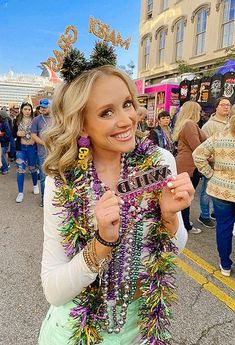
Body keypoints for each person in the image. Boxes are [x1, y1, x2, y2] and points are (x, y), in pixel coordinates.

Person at [38, 63, 193, 345]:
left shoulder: (159, 162)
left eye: (127, 104)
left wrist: (170, 217)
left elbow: (174, 249)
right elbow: (53, 290)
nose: (126, 120)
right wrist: (101, 243)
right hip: (76, 329)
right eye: (107, 112)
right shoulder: (62, 181)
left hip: (140, 327)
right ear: (82, 122)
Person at [193, 115, 235, 276]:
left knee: (223, 227)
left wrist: (210, 174)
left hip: (221, 191)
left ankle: (225, 265)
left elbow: (198, 154)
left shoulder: (219, 137)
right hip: (223, 190)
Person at [172, 101, 207, 234]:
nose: (200, 113)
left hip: (186, 165)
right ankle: (185, 225)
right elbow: (197, 147)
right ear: (194, 111)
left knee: (183, 196)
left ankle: (183, 223)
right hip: (189, 166)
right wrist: (210, 157)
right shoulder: (190, 125)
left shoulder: (187, 124)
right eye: (198, 110)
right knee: (185, 198)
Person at [198, 97, 231, 228]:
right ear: (216, 107)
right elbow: (203, 147)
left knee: (221, 192)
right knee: (207, 191)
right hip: (213, 165)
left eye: (228, 105)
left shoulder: (231, 123)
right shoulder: (209, 125)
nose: (226, 107)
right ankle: (204, 215)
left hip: (227, 167)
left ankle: (214, 213)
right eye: (223, 105)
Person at [12, 102, 39, 203]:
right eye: (25, 109)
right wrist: (17, 134)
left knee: (32, 168)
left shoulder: (35, 120)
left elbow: (39, 133)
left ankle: (35, 185)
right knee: (20, 170)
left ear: (31, 110)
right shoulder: (17, 121)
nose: (27, 111)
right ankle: (20, 193)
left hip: (32, 148)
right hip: (21, 149)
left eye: (29, 109)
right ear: (22, 110)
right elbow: (13, 133)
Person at [31, 98, 52, 206]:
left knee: (57, 177)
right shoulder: (37, 120)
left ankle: (55, 199)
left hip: (56, 153)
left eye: (45, 106)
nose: (42, 108)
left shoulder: (58, 118)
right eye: (41, 107)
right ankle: (44, 199)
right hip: (42, 153)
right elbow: (33, 135)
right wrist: (44, 143)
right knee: (43, 178)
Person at [0, 110, 11, 175]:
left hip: (4, 142)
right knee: (2, 155)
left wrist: (2, 136)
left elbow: (8, 134)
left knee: (2, 155)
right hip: (3, 141)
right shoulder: (3, 122)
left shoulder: (5, 122)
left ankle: (5, 168)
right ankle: (5, 167)